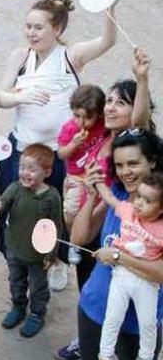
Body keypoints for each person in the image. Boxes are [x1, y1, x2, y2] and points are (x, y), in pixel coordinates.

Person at [53, 130, 163, 360]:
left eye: (134, 164)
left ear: (152, 162)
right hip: (95, 302)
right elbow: (78, 238)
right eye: (120, 164)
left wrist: (120, 257)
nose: (126, 172)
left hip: (137, 318)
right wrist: (92, 197)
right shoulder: (115, 193)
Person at [54, 49, 153, 360]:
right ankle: (89, 338)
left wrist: (141, 80)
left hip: (124, 229)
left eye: (120, 103)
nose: (110, 107)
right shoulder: (101, 133)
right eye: (109, 101)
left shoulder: (136, 142)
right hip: (99, 219)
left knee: (128, 292)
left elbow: (140, 121)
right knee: (90, 281)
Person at [0, 0, 116, 256]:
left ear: (57, 29)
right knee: (17, 206)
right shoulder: (20, 56)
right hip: (24, 150)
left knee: (56, 210)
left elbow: (108, 41)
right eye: (28, 26)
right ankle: (16, 257)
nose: (31, 33)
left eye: (38, 27)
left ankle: (55, 260)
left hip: (60, 152)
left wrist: (110, 7)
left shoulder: (70, 56)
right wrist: (21, 96)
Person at [91, 172, 163, 360]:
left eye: (148, 201)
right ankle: (104, 358)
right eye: (139, 196)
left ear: (160, 209)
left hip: (146, 283)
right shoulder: (129, 211)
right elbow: (111, 199)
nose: (139, 203)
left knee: (148, 324)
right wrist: (98, 182)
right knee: (112, 318)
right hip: (121, 276)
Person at [0, 144, 64, 337]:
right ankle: (18, 306)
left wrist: (51, 253)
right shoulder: (15, 188)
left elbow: (56, 226)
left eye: (32, 169)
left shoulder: (52, 196)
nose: (25, 173)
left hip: (38, 254)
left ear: (47, 172)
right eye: (22, 167)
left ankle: (37, 313)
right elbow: (0, 206)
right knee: (16, 281)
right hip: (14, 247)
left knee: (38, 286)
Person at [57, 85, 107, 264]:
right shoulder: (70, 129)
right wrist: (73, 144)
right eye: (77, 116)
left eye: (88, 117)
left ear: (99, 114)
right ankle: (74, 242)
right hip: (76, 177)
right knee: (71, 210)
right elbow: (61, 154)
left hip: (97, 173)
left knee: (96, 210)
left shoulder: (104, 125)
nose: (82, 122)